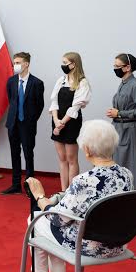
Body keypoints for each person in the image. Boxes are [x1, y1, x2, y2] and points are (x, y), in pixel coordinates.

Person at [24, 120, 133, 272]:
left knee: (36, 219)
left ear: (87, 150)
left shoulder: (84, 181)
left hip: (91, 246)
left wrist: (40, 196)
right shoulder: (127, 174)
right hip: (118, 244)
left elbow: (57, 219)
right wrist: (62, 197)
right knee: (48, 225)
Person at [106, 53, 136, 193]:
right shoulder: (123, 83)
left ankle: (134, 202)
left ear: (128, 67)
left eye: (117, 66)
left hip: (131, 131)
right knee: (119, 167)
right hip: (119, 129)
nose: (115, 69)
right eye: (114, 66)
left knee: (132, 167)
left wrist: (120, 113)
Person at [1, 52, 44, 195]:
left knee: (28, 154)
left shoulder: (37, 83)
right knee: (15, 154)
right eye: (14, 63)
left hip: (27, 125)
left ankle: (30, 186)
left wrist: (31, 120)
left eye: (18, 63)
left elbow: (40, 105)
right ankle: (15, 185)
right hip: (13, 124)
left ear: (26, 64)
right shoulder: (11, 81)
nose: (15, 65)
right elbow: (11, 100)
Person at [49, 52, 91, 191]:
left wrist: (61, 123)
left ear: (74, 64)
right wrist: (56, 120)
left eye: (65, 63)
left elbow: (75, 107)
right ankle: (63, 191)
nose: (63, 65)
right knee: (62, 158)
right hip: (57, 121)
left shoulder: (82, 82)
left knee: (71, 159)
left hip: (71, 123)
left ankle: (72, 192)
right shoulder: (61, 80)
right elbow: (54, 102)